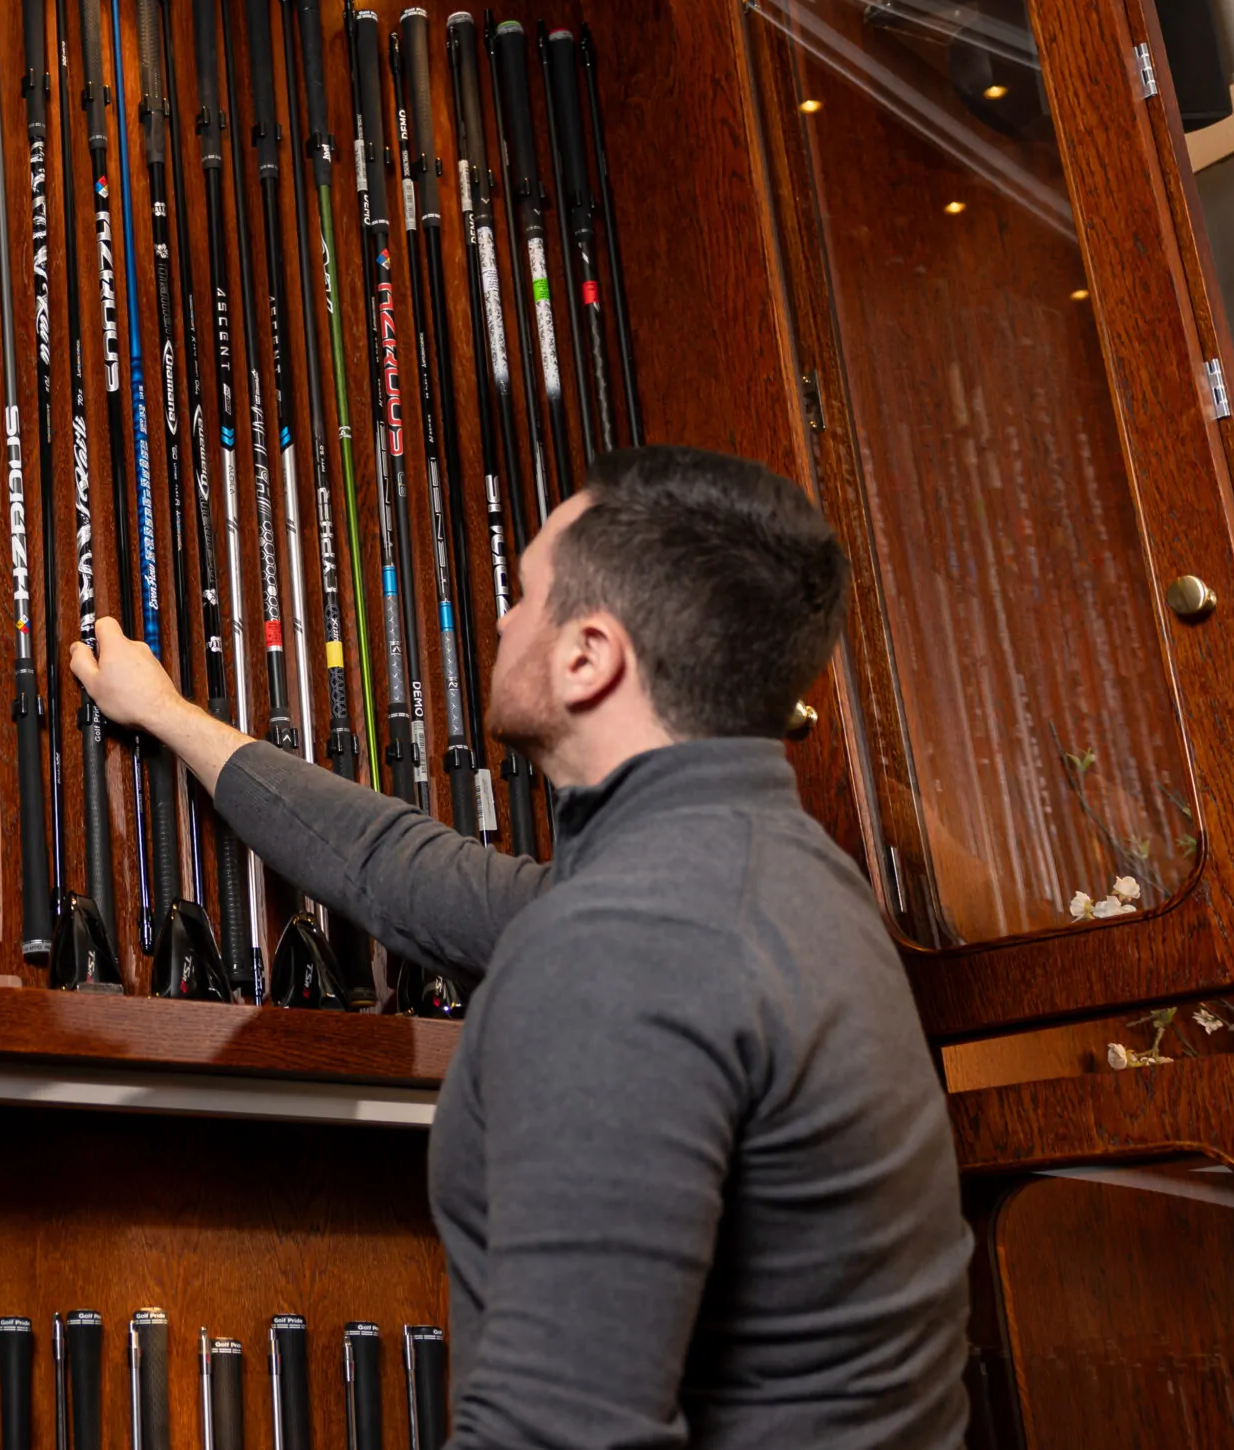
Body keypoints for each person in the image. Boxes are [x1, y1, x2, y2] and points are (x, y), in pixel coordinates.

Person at [70, 445, 971, 1450]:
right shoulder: (774, 882)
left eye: (524, 593)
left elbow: (559, 1430)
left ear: (589, 656)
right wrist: (169, 716)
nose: (500, 621)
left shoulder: (622, 945)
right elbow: (397, 869)